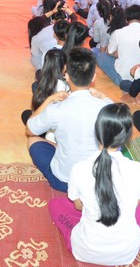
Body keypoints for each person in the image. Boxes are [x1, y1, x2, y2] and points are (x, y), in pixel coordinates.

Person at [48, 104, 140, 265]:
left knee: (56, 204)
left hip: (85, 249)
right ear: (127, 137)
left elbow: (78, 206)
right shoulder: (138, 169)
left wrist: (97, 206)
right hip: (125, 252)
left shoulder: (79, 169)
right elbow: (135, 205)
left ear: (97, 132)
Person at [26, 48, 112, 192]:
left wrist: (49, 100)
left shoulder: (57, 108)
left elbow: (29, 130)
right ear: (93, 77)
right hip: (96, 180)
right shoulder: (106, 107)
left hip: (64, 181)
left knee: (33, 140)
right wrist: (103, 97)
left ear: (66, 75)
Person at [102, 5, 140, 92]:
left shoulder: (118, 32)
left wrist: (118, 53)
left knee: (101, 56)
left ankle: (124, 83)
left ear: (126, 20)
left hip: (123, 74)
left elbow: (109, 52)